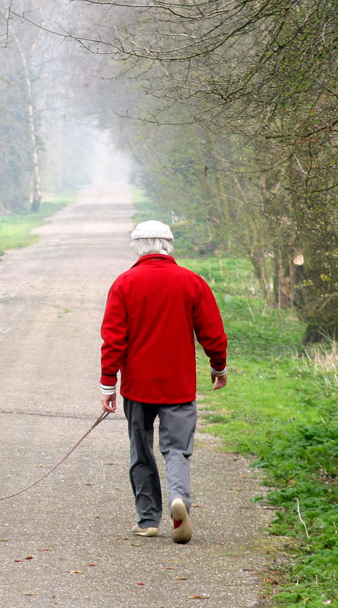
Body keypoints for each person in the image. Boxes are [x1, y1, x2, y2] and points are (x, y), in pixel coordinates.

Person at [98, 220, 228, 544]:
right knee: (177, 450)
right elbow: (212, 332)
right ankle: (178, 498)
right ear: (168, 245)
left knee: (141, 451)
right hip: (178, 385)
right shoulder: (191, 282)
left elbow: (113, 339)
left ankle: (147, 520)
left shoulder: (124, 284)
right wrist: (218, 366)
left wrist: (107, 384)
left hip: (138, 387)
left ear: (138, 247)